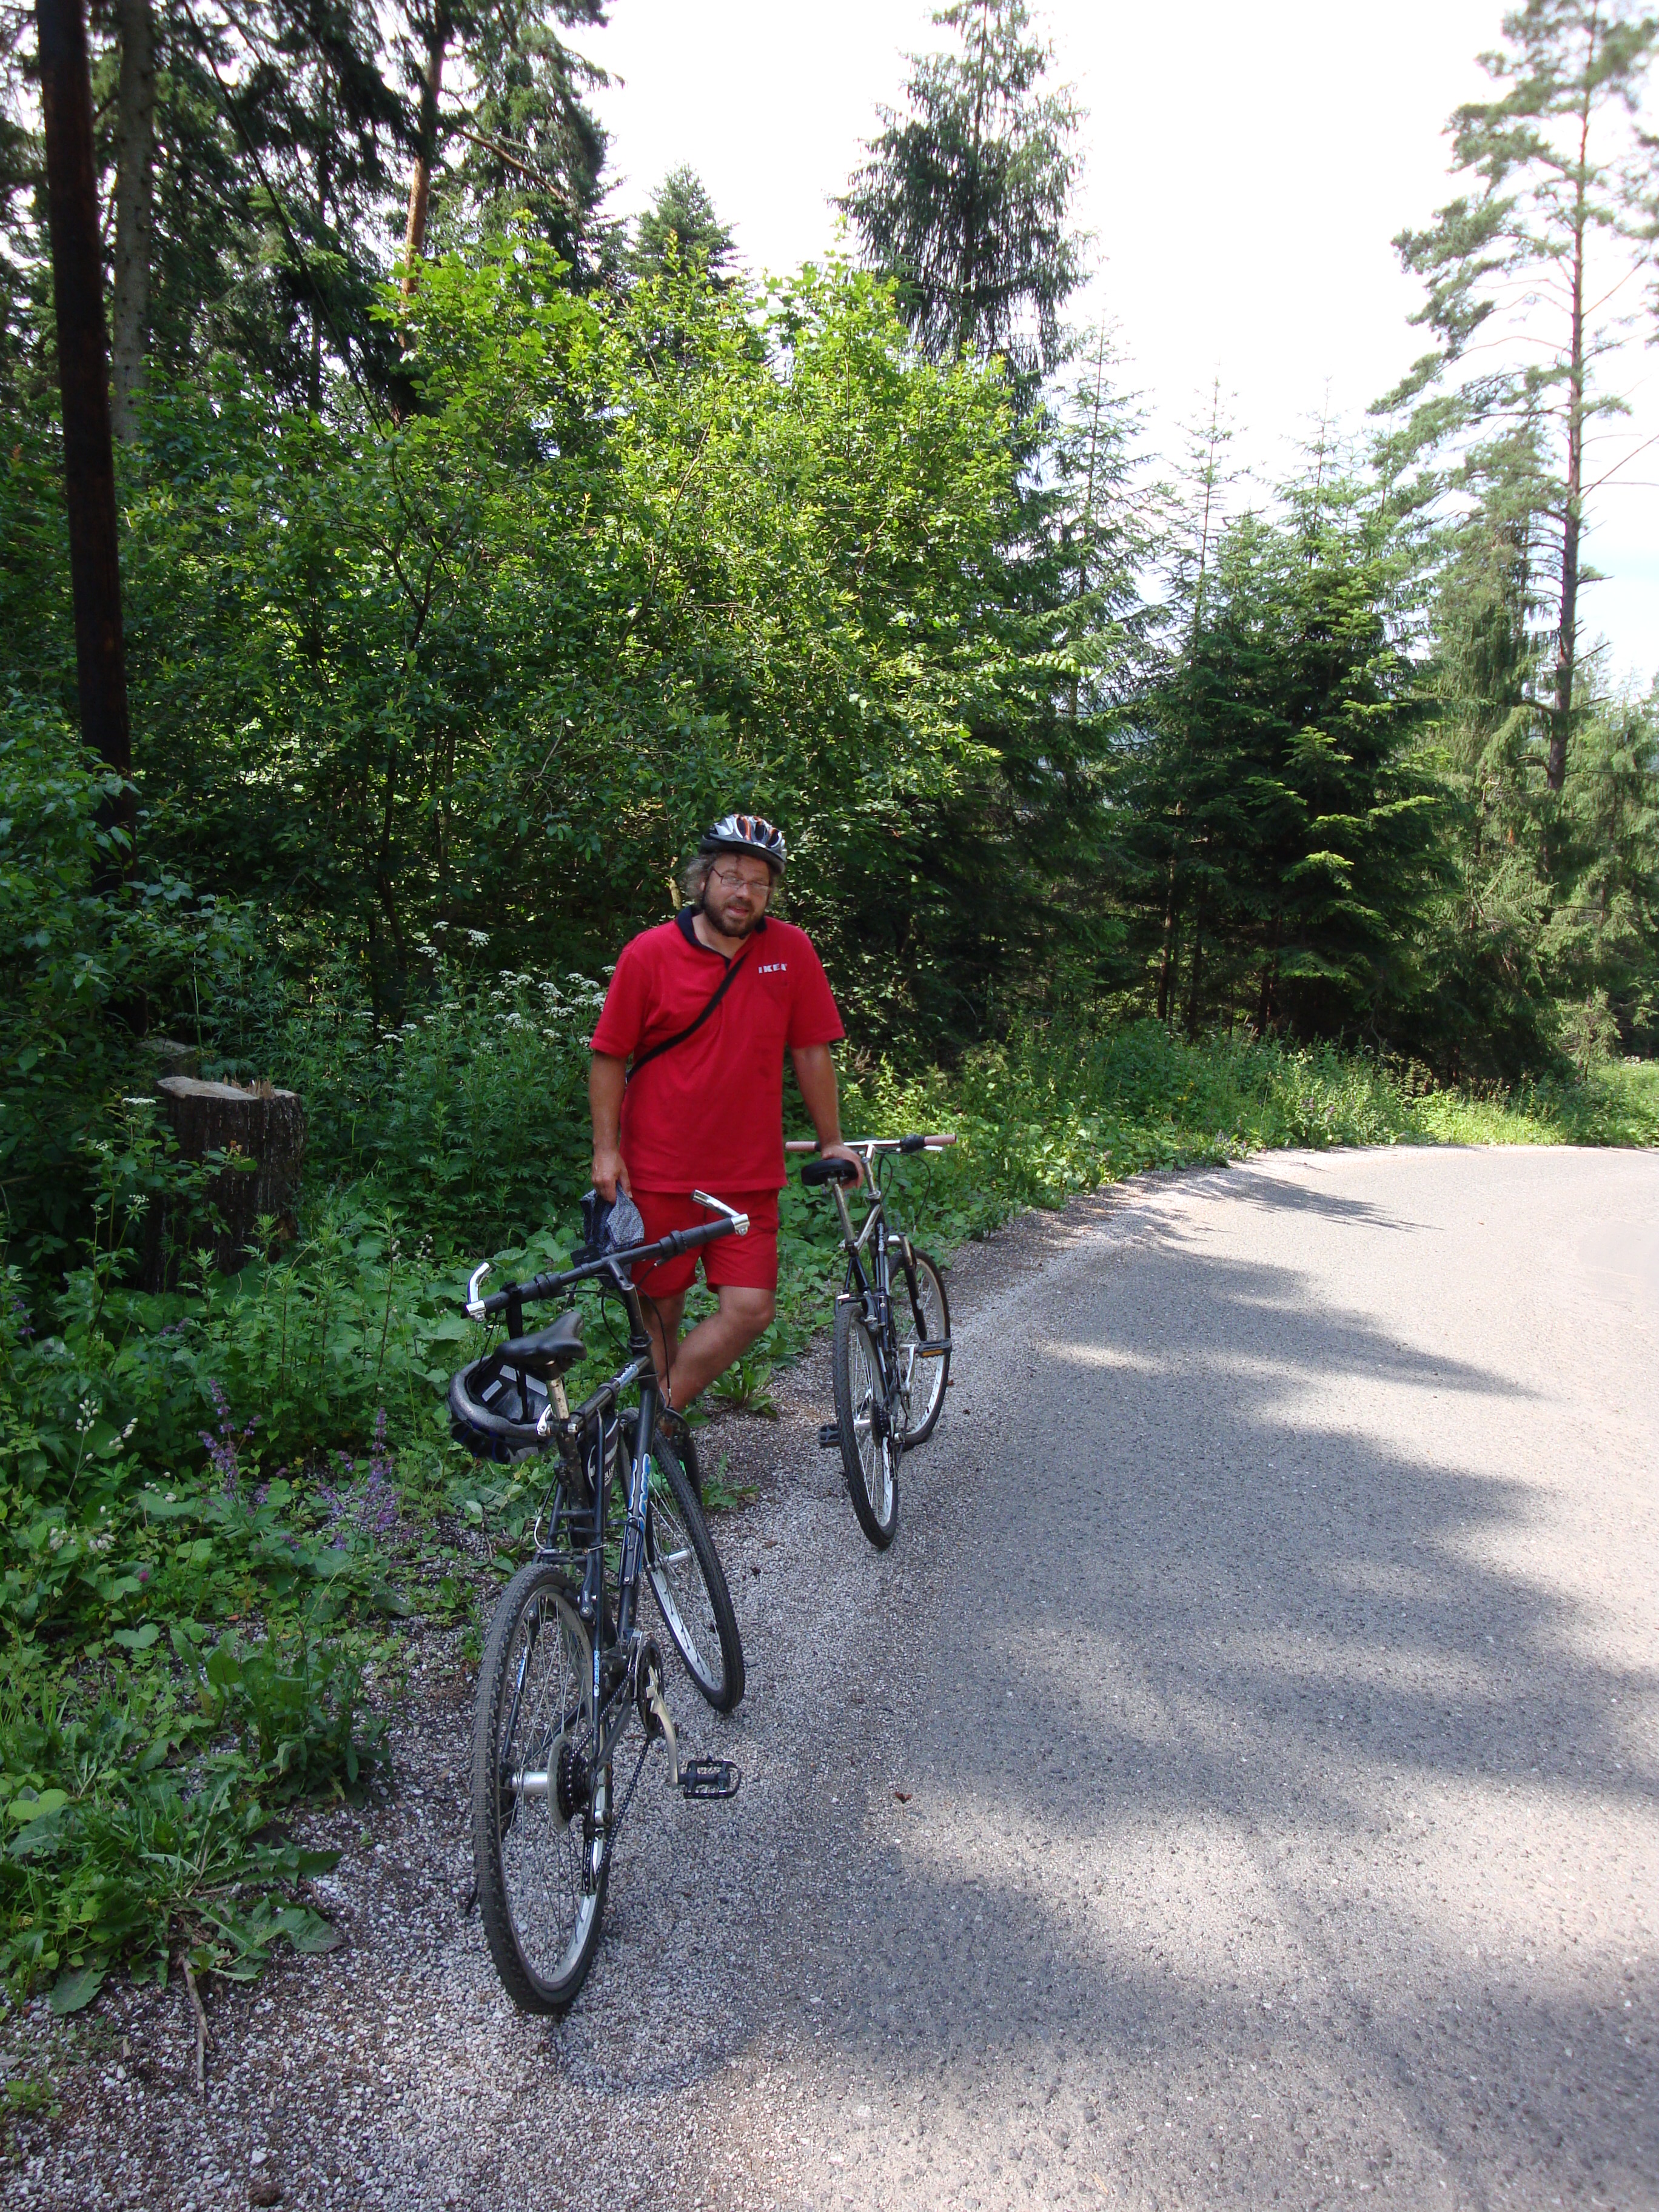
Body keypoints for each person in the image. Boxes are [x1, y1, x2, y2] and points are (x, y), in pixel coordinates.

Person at [588, 813, 863, 1441]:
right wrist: (606, 1150)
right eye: (732, 877)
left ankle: (645, 1428)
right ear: (703, 879)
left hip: (747, 1176)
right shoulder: (649, 953)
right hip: (657, 1172)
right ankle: (647, 1460)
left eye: (759, 883)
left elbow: (812, 1050)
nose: (744, 893)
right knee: (660, 1315)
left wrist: (831, 1140)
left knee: (750, 1310)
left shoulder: (790, 951)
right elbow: (609, 1056)